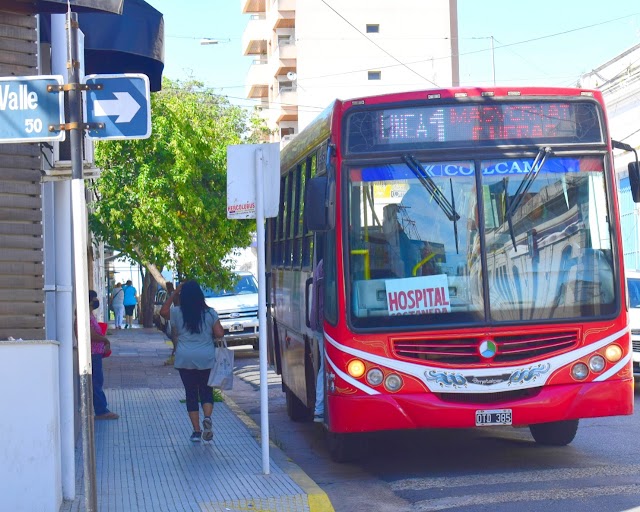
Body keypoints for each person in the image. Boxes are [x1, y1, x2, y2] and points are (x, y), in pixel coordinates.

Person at [160, 280, 224, 442]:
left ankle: (196, 431)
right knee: (206, 390)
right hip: (206, 357)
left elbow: (163, 311)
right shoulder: (210, 313)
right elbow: (219, 333)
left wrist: (174, 293)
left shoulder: (177, 312)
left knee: (191, 393)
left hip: (185, 358)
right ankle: (207, 417)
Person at [75, 290, 119, 420]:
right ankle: (101, 410)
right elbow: (89, 334)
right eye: (94, 298)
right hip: (92, 353)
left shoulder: (89, 315)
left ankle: (101, 408)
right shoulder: (84, 317)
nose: (96, 301)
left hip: (96, 353)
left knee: (97, 380)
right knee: (96, 381)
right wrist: (104, 340)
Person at [310, 258, 325, 423]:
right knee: (325, 367)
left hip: (321, 323)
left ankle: (320, 408)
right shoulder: (327, 263)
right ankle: (320, 408)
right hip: (324, 324)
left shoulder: (323, 263)